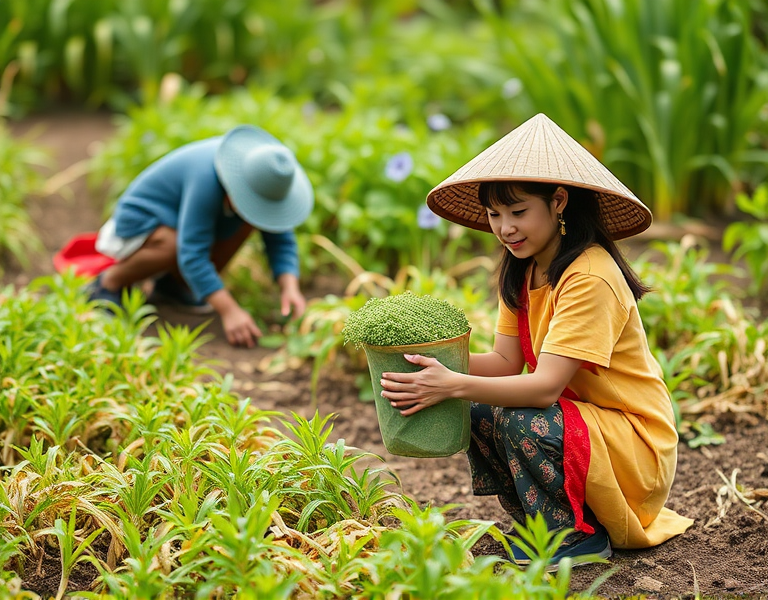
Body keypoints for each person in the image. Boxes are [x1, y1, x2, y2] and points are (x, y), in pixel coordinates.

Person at [379, 113, 693, 568]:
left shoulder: (590, 275)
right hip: (579, 428)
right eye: (494, 215)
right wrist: (431, 361)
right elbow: (506, 363)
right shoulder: (523, 268)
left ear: (559, 201)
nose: (505, 228)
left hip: (631, 447)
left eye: (518, 212)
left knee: (518, 418)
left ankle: (575, 537)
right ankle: (541, 523)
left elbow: (544, 387)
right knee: (481, 408)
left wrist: (453, 384)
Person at [86, 125, 314, 348]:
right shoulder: (207, 176)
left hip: (181, 224)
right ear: (237, 192)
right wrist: (229, 310)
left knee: (247, 223)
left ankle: (173, 287)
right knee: (173, 245)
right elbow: (191, 253)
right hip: (140, 224)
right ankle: (108, 283)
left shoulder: (265, 178)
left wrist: (290, 287)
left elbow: (280, 237)